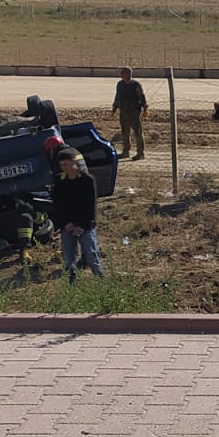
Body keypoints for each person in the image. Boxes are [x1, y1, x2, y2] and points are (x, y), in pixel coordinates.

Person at [51, 146, 103, 281]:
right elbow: (58, 206)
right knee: (69, 258)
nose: (64, 168)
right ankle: (72, 283)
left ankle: (101, 281)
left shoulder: (87, 180)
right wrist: (66, 224)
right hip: (67, 225)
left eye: (66, 164)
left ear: (74, 162)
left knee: (91, 254)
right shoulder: (59, 181)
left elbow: (90, 206)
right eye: (61, 165)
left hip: (85, 225)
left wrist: (83, 226)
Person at [110, 67, 148, 160]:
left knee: (137, 132)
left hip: (134, 112)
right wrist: (114, 108)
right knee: (125, 133)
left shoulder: (136, 85)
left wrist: (145, 109)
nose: (122, 75)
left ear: (130, 74)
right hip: (123, 112)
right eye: (122, 73)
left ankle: (140, 153)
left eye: (124, 73)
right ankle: (126, 151)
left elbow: (142, 97)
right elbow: (117, 97)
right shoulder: (120, 84)